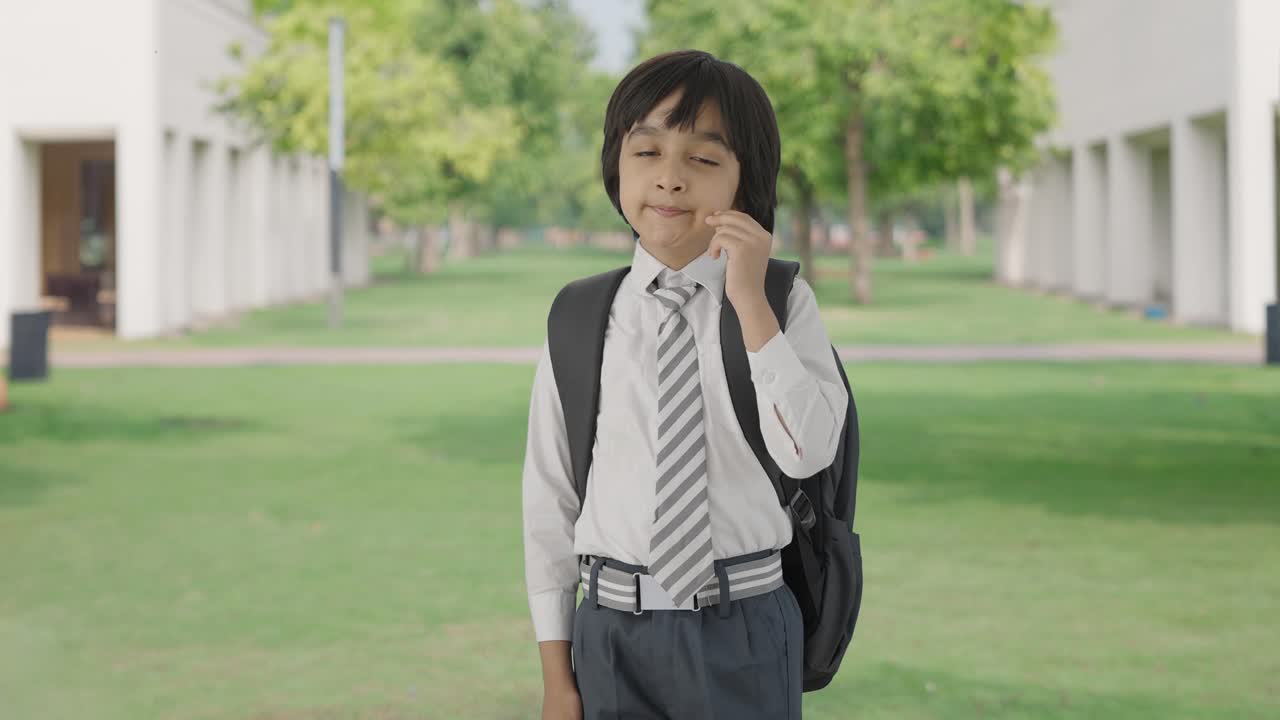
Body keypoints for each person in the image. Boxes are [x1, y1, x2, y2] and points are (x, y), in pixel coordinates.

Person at [522, 49, 849, 719]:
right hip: (610, 631)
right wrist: (558, 676)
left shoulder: (785, 302)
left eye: (703, 160)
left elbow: (810, 452)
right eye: (647, 152)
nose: (670, 180)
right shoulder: (580, 316)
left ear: (743, 182)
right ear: (616, 166)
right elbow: (549, 500)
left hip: (747, 628)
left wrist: (751, 302)